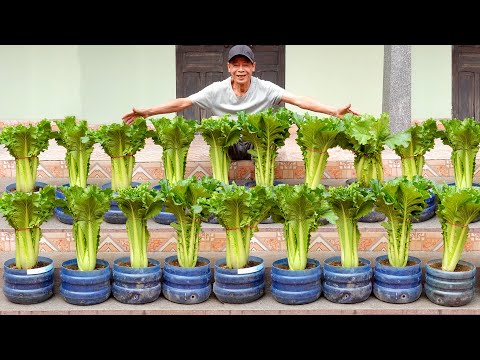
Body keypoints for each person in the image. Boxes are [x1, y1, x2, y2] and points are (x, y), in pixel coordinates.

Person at [122, 45, 359, 159]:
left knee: (269, 133)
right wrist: (148, 112)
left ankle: (263, 190)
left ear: (254, 67)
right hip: (230, 148)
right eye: (236, 64)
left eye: (245, 64)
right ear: (228, 68)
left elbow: (297, 99)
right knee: (220, 133)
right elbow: (183, 103)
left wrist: (333, 111)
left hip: (258, 147)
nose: (241, 69)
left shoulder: (265, 88)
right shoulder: (216, 90)